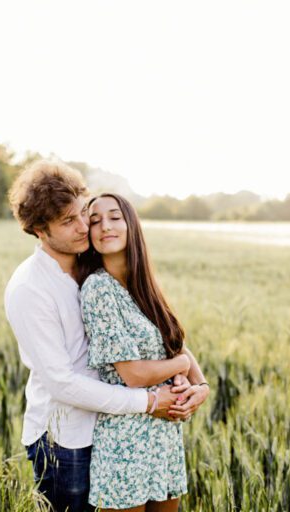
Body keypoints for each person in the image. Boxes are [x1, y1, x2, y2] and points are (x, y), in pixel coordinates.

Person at [4, 161, 207, 512]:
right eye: (69, 221)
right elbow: (63, 383)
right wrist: (149, 402)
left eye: (84, 213)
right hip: (65, 440)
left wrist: (196, 384)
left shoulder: (95, 269)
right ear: (39, 229)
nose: (85, 227)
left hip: (115, 427)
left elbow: (159, 331)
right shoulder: (31, 288)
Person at [77, 193, 210, 512]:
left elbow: (174, 342)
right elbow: (133, 374)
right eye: (95, 220)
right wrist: (179, 365)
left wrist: (201, 387)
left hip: (165, 437)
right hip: (126, 443)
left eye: (114, 217)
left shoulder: (143, 285)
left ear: (131, 226)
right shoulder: (98, 289)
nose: (104, 226)